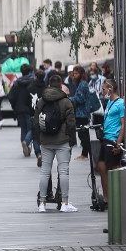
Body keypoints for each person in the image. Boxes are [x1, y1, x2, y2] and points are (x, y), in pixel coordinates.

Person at [33, 74, 77, 212]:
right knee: (63, 172)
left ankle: (42, 203)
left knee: (45, 172)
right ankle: (64, 203)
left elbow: (35, 122)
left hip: (46, 141)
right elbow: (71, 124)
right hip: (62, 141)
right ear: (60, 85)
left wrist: (38, 139)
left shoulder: (41, 101)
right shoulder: (66, 101)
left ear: (49, 84)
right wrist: (72, 141)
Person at [96, 79, 126, 203]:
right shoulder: (109, 102)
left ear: (110, 89)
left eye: (103, 89)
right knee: (101, 166)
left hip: (113, 140)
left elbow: (123, 124)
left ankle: (117, 198)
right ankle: (107, 197)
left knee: (113, 168)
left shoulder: (121, 103)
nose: (102, 91)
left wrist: (118, 143)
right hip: (106, 138)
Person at [68, 66, 99, 159]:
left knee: (83, 134)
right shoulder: (80, 84)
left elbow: (80, 99)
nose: (74, 75)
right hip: (80, 113)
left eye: (76, 73)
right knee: (83, 134)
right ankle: (85, 153)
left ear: (81, 74)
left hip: (82, 113)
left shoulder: (83, 84)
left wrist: (69, 99)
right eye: (73, 73)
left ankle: (85, 154)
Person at [8, 64, 36, 157]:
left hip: (19, 108)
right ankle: (27, 142)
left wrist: (14, 106)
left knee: (23, 128)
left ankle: (25, 147)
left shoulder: (16, 82)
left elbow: (11, 96)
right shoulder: (33, 82)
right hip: (30, 108)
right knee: (31, 128)